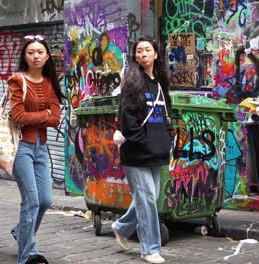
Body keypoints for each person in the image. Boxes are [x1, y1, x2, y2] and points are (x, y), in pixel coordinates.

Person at [111, 36, 172, 264]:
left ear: (155, 54)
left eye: (147, 50)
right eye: (139, 51)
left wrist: (168, 135)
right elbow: (127, 121)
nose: (143, 54)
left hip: (157, 150)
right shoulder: (132, 83)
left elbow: (168, 112)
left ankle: (121, 225)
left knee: (151, 197)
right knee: (146, 199)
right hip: (136, 152)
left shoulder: (160, 82)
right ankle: (149, 249)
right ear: (135, 56)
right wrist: (143, 141)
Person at [8, 34, 63, 264]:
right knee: (31, 199)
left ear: (47, 55)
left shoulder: (50, 83)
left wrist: (43, 118)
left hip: (42, 147)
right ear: (25, 56)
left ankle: (21, 232)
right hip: (21, 146)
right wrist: (45, 115)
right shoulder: (16, 80)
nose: (36, 55)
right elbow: (18, 116)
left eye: (40, 52)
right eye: (31, 52)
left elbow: (56, 119)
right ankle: (27, 255)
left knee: (46, 200)